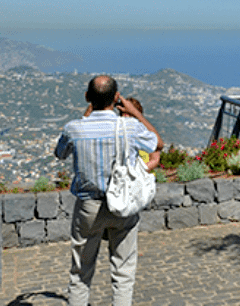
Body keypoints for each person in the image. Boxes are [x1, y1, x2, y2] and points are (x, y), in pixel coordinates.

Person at [55, 75, 163, 306]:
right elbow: (158, 144)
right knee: (123, 272)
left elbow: (60, 153)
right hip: (123, 204)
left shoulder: (74, 129)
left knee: (81, 273)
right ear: (116, 98)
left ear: (87, 98)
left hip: (88, 207)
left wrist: (87, 112)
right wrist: (136, 113)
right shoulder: (130, 127)